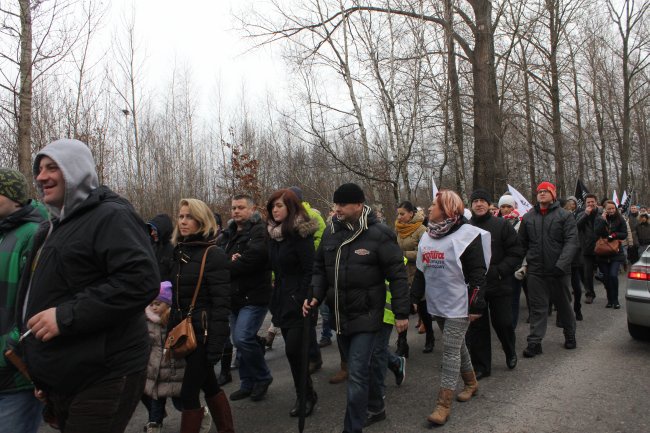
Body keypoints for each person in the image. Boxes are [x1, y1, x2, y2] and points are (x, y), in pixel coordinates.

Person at [17, 138, 159, 432]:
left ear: (75, 170)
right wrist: (43, 372)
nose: (41, 177)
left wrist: (65, 316)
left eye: (52, 168)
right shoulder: (50, 228)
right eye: (39, 169)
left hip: (105, 370)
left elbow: (140, 281)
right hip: (67, 372)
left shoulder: (110, 215)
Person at [303, 182, 410, 433]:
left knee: (357, 374)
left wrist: (401, 312)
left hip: (369, 315)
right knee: (362, 368)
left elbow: (397, 274)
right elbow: (320, 268)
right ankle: (376, 407)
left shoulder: (379, 233)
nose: (336, 209)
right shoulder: (330, 232)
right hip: (340, 317)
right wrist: (315, 295)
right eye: (335, 203)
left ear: (359, 205)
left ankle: (352, 428)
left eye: (342, 204)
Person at [410, 189, 489, 426]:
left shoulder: (467, 235)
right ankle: (472, 383)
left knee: (450, 350)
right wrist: (413, 297)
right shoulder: (427, 236)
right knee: (458, 345)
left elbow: (478, 273)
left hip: (460, 304)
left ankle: (443, 404)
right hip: (437, 302)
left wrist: (476, 305)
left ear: (447, 209)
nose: (429, 208)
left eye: (434, 205)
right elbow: (421, 271)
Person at [170, 198, 234, 433]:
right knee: (210, 386)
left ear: (202, 220)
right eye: (181, 216)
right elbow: (177, 299)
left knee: (188, 395)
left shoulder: (213, 254)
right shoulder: (179, 252)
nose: (183, 221)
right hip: (186, 335)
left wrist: (217, 344)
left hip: (204, 336)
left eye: (189, 216)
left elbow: (221, 304)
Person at [266, 189, 320, 417]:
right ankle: (305, 392)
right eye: (272, 206)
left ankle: (306, 396)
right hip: (280, 300)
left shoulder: (301, 234)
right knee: (292, 353)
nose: (274, 210)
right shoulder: (272, 235)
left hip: (300, 301)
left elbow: (311, 270)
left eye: (279, 205)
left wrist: (302, 298)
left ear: (291, 207)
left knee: (294, 350)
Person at [0, 168, 45, 433]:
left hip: (15, 373)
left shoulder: (33, 233)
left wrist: (11, 347)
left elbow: (39, 299)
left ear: (15, 197)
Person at [217, 195, 273, 402]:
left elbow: (253, 260)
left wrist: (228, 265)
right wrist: (229, 262)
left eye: (241, 208)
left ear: (252, 209)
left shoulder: (259, 230)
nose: (236, 211)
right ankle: (247, 383)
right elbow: (217, 257)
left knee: (242, 337)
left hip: (254, 295)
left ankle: (263, 377)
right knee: (241, 342)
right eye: (233, 208)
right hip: (234, 297)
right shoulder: (228, 233)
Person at [467, 189, 523, 379]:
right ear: (471, 205)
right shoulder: (465, 228)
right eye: (475, 201)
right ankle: (482, 366)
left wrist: (500, 270)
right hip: (475, 287)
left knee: (503, 322)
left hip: (500, 283)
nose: (479, 204)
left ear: (490, 205)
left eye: (483, 200)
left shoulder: (501, 225)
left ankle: (510, 350)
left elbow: (516, 252)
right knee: (478, 328)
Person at [519, 181, 578, 358]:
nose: (542, 194)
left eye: (546, 191)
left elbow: (572, 242)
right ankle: (534, 342)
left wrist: (561, 265)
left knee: (564, 306)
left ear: (553, 194)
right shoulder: (528, 217)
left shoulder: (565, 216)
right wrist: (521, 264)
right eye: (539, 191)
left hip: (558, 270)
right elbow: (521, 244)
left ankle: (570, 334)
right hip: (536, 270)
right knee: (537, 307)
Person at [142, 282, 195, 433]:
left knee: (180, 403)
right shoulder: (148, 321)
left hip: (174, 370)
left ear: (167, 303)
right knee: (155, 404)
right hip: (155, 371)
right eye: (151, 304)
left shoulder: (173, 320)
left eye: (157, 303)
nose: (153, 307)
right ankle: (154, 426)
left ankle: (200, 415)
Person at [394, 201, 432, 356]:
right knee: (402, 309)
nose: (400, 217)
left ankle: (430, 337)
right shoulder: (398, 229)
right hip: (401, 275)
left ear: (411, 214)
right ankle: (402, 344)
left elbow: (425, 253)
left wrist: (403, 255)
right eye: (398, 214)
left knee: (423, 308)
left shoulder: (422, 230)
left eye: (402, 214)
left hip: (417, 275)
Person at [594, 200, 627, 309]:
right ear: (605, 209)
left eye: (613, 208)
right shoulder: (600, 218)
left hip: (615, 252)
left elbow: (624, 234)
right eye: (609, 209)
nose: (611, 210)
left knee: (613, 275)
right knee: (607, 278)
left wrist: (614, 235)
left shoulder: (620, 219)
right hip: (602, 252)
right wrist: (603, 220)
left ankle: (616, 300)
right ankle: (609, 299)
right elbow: (596, 232)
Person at [576, 193, 600, 304]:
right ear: (585, 204)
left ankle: (611, 293)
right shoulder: (581, 214)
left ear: (596, 202)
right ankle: (589, 294)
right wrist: (585, 215)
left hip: (601, 248)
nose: (590, 204)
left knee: (606, 273)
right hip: (586, 249)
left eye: (592, 202)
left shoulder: (602, 213)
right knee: (587, 274)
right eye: (588, 202)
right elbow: (576, 226)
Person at [564, 196, 584, 321]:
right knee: (561, 288)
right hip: (561, 260)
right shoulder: (556, 220)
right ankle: (562, 313)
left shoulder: (576, 218)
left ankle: (577, 308)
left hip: (574, 258)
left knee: (576, 288)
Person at [147, 214, 175, 282]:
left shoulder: (174, 249)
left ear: (163, 230)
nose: (152, 233)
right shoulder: (152, 247)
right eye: (151, 230)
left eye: (155, 230)